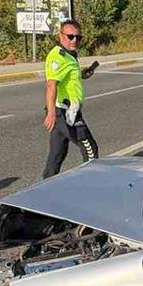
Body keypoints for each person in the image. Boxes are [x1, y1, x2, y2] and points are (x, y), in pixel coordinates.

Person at [42, 20, 99, 178]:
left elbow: (68, 78)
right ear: (60, 36)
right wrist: (51, 113)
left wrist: (82, 74)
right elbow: (51, 85)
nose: (74, 40)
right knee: (91, 150)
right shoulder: (58, 57)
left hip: (65, 111)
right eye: (70, 36)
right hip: (66, 113)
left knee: (56, 155)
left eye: (78, 37)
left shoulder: (69, 55)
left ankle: (45, 189)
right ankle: (88, 186)